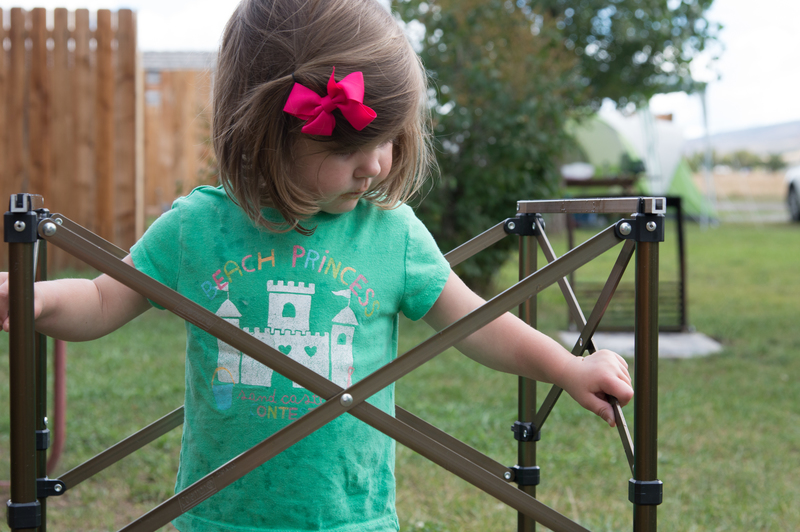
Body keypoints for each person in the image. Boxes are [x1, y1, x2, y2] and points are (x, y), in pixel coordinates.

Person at [0, 0, 633, 530]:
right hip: (218, 515)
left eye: (388, 140)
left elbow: (478, 322)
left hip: (350, 517)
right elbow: (103, 300)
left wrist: (567, 367)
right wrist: (38, 299)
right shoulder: (197, 227)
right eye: (353, 146)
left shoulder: (390, 234)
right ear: (269, 134)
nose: (376, 165)